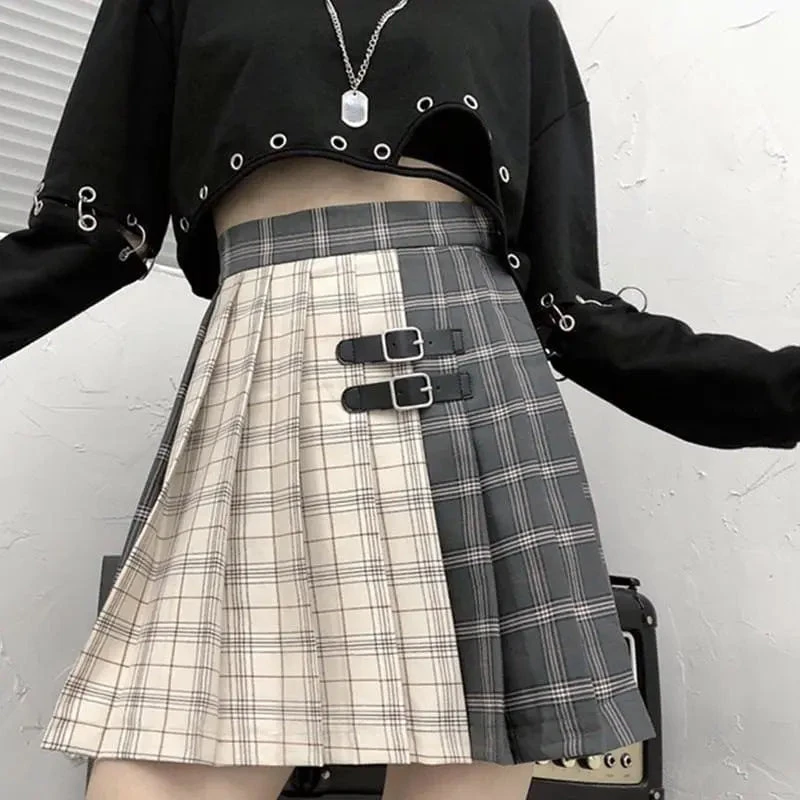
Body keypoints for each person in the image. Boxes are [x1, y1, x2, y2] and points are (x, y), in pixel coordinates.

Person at [1, 1, 797, 799]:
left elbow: (572, 310)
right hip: (267, 368)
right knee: (163, 756)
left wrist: (778, 393)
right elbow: (87, 237)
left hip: (472, 374)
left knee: (467, 756)